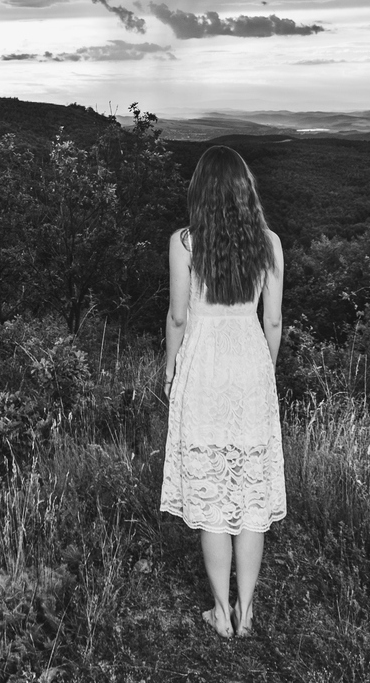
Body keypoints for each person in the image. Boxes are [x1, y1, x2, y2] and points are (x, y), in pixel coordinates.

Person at [160, 145, 285, 639]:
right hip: (251, 366)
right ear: (245, 189)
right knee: (250, 498)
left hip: (204, 371)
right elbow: (272, 320)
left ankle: (220, 612)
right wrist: (265, 373)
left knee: (214, 496)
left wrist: (170, 368)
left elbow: (177, 315)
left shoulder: (185, 244)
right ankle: (247, 610)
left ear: (201, 191)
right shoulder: (269, 244)